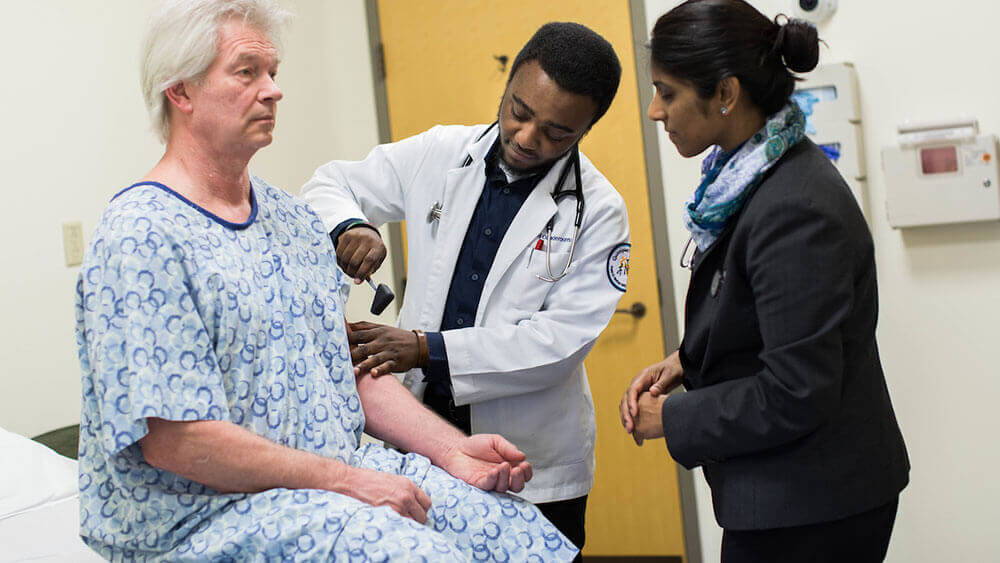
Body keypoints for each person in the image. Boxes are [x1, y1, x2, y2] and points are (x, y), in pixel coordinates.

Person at [74, 1, 578, 560]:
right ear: (181, 91)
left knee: (515, 533)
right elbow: (177, 440)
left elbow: (345, 369)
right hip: (204, 515)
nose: (272, 90)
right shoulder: (142, 237)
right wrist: (345, 482)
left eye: (273, 73)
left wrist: (453, 452)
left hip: (330, 477)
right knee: (409, 551)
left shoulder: (291, 221)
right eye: (247, 72)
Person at [301, 22, 628, 554]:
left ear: (586, 129)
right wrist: (351, 227)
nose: (526, 137)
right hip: (418, 440)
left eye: (555, 132)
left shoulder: (600, 213)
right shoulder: (442, 151)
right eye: (519, 111)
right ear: (507, 88)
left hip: (529, 462)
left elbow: (557, 346)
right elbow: (329, 184)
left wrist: (425, 348)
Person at [618, 1, 910, 562]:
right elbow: (761, 311)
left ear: (725, 94)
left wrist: (672, 418)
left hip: (816, 502)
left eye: (668, 91)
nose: (655, 111)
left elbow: (796, 390)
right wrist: (688, 357)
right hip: (794, 491)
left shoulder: (793, 208)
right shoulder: (749, 177)